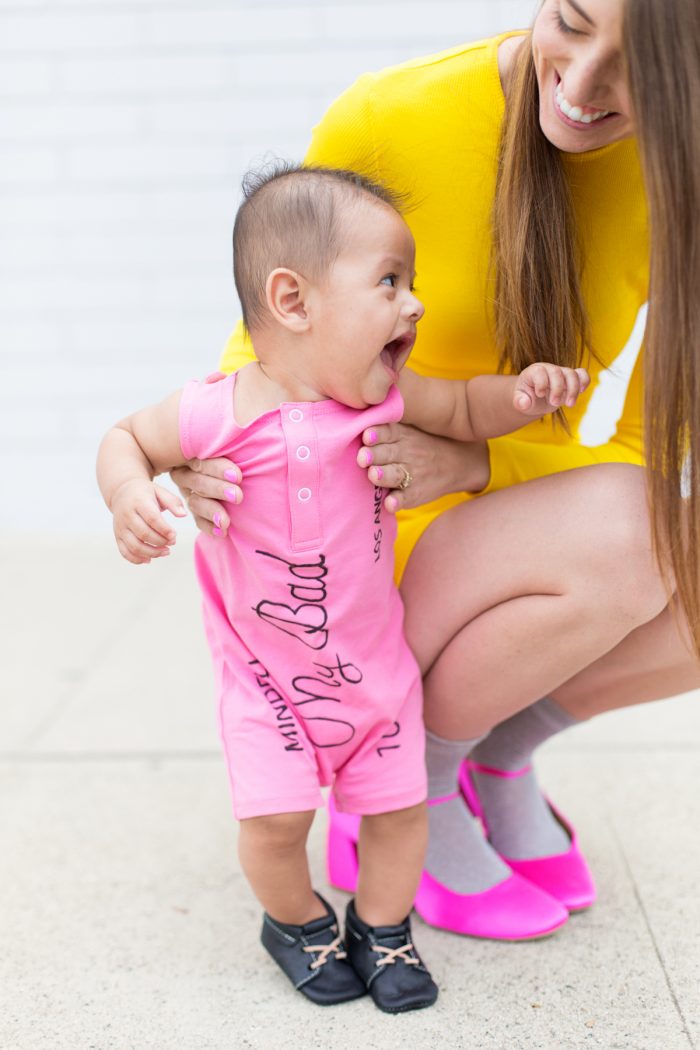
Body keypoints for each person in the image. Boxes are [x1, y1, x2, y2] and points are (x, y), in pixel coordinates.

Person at [170, 0, 700, 941]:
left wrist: (474, 462)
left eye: (638, 62)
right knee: (634, 530)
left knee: (662, 539)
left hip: (485, 509)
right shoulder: (391, 117)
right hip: (350, 540)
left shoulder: (684, 175)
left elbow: (652, 448)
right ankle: (401, 790)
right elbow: (264, 339)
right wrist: (195, 463)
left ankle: (491, 755)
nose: (580, 84)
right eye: (572, 21)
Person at [96, 164, 590, 1006]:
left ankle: (383, 931)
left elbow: (468, 410)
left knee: (400, 816)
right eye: (389, 282)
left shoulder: (387, 398)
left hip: (375, 676)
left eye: (412, 283)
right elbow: (125, 437)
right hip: (267, 688)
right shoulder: (215, 415)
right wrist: (130, 492)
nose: (415, 304)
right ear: (294, 302)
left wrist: (524, 394)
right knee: (277, 825)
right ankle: (294, 923)